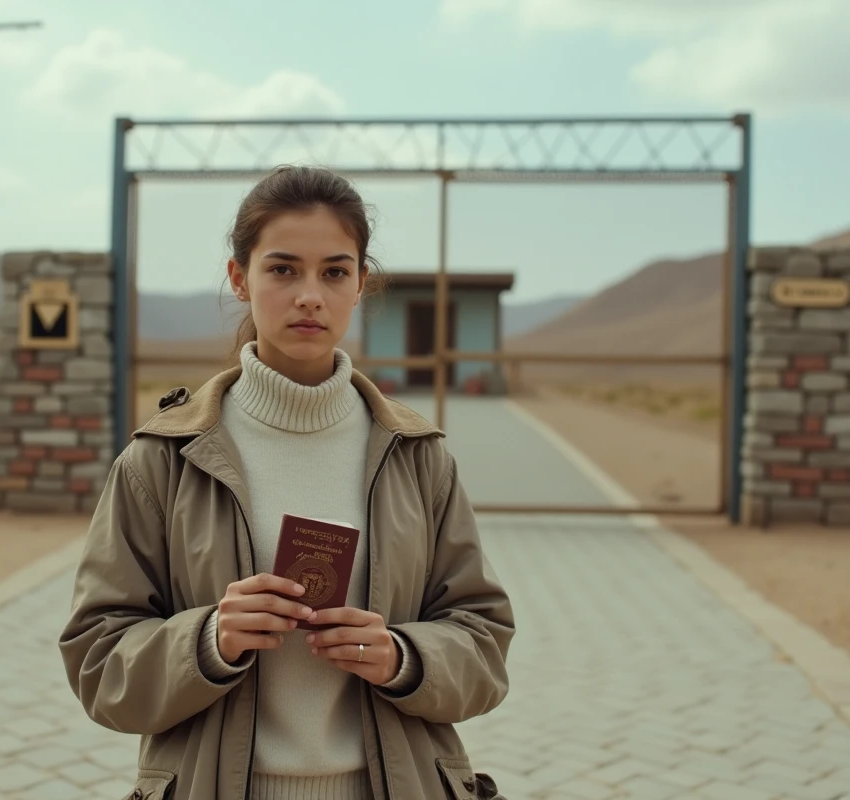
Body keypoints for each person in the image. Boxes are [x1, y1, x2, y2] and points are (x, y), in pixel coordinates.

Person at [59, 165, 515, 800]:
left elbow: (483, 640)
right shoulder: (163, 459)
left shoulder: (418, 457)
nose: (310, 294)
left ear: (361, 284)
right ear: (239, 278)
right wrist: (207, 640)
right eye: (282, 269)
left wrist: (404, 658)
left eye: (334, 271)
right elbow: (97, 660)